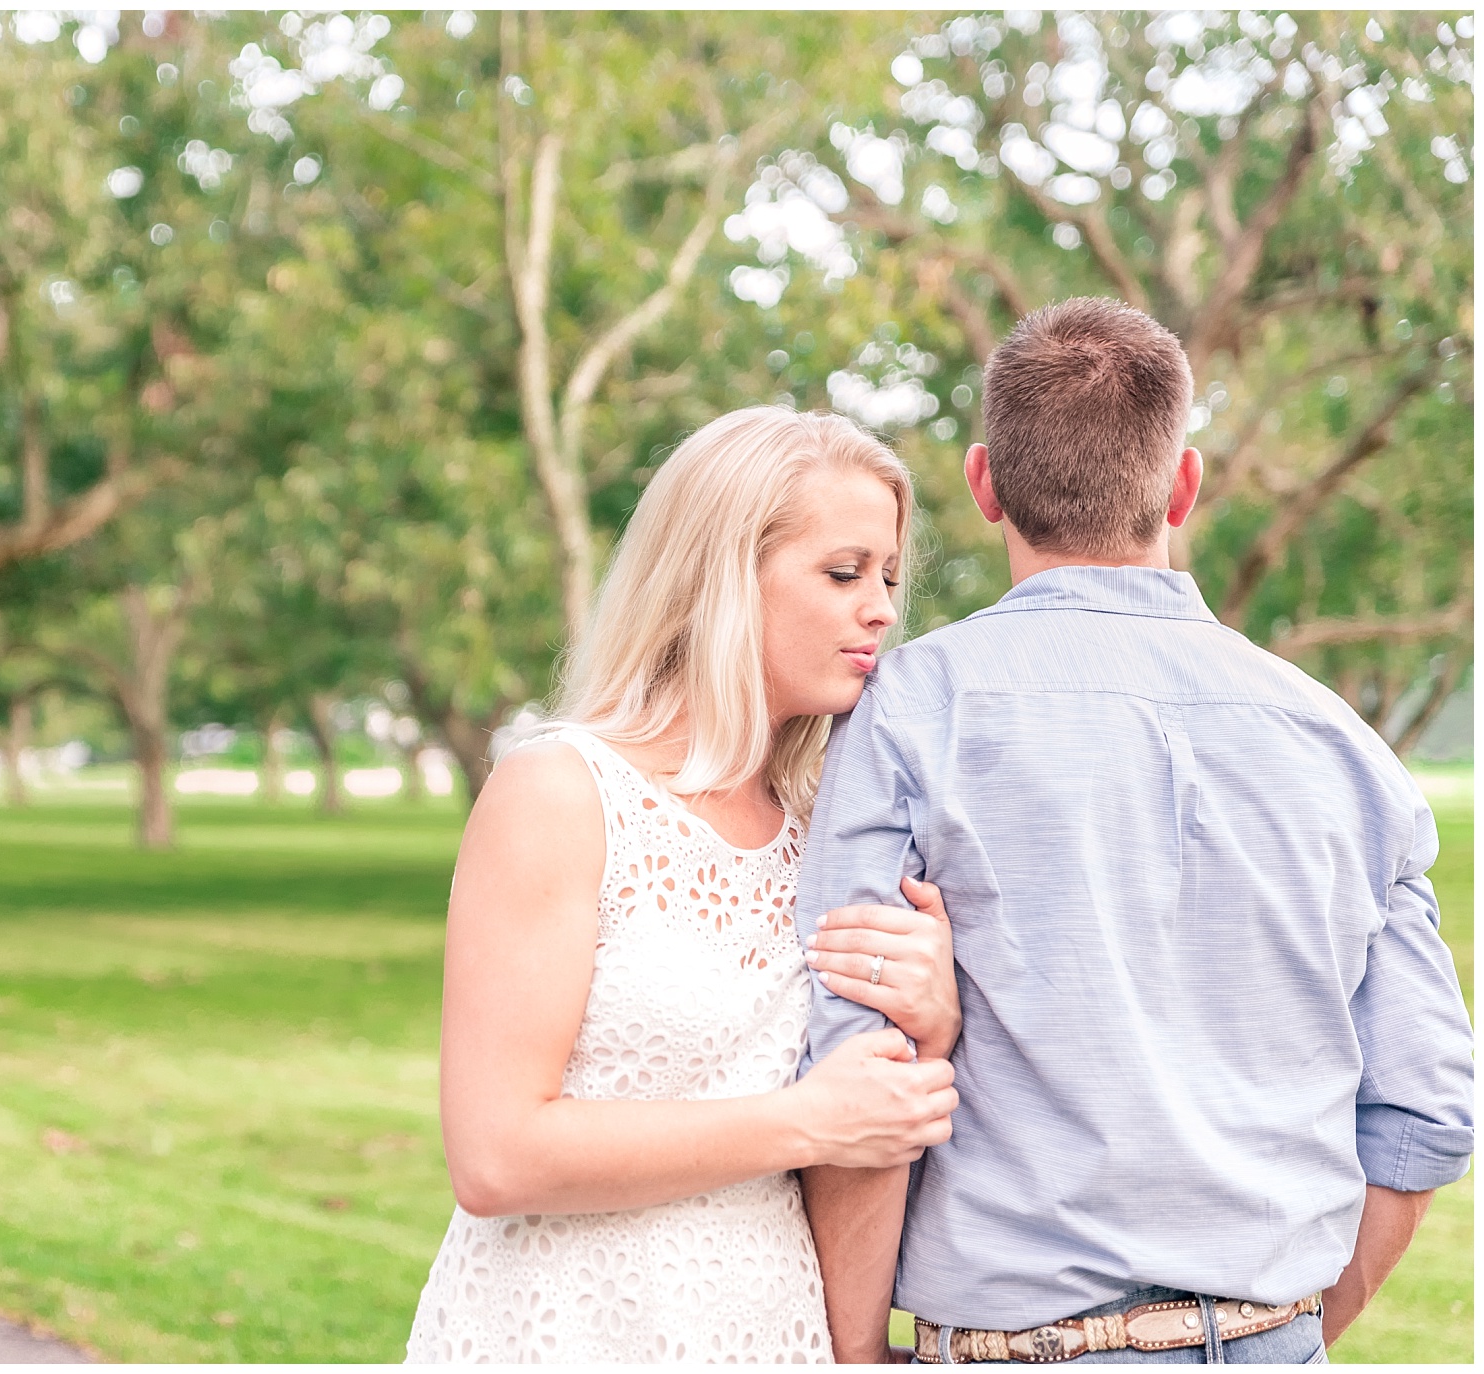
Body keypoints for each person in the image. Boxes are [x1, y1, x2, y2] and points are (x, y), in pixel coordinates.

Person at [797, 297, 1475, 1366]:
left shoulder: (908, 711)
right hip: (1270, 1341)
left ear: (982, 483)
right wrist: (1287, 1331)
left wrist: (850, 1353)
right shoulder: (1345, 749)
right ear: (1182, 485)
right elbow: (1423, 1110)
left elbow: (860, 1060)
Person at [405, 408, 966, 1363]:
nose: (880, 608)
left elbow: (871, 1121)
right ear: (721, 579)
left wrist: (935, 1021)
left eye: (887, 578)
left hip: (770, 1331)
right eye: (842, 573)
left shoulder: (831, 828)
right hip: (566, 1329)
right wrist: (802, 1123)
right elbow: (495, 1155)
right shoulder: (560, 794)